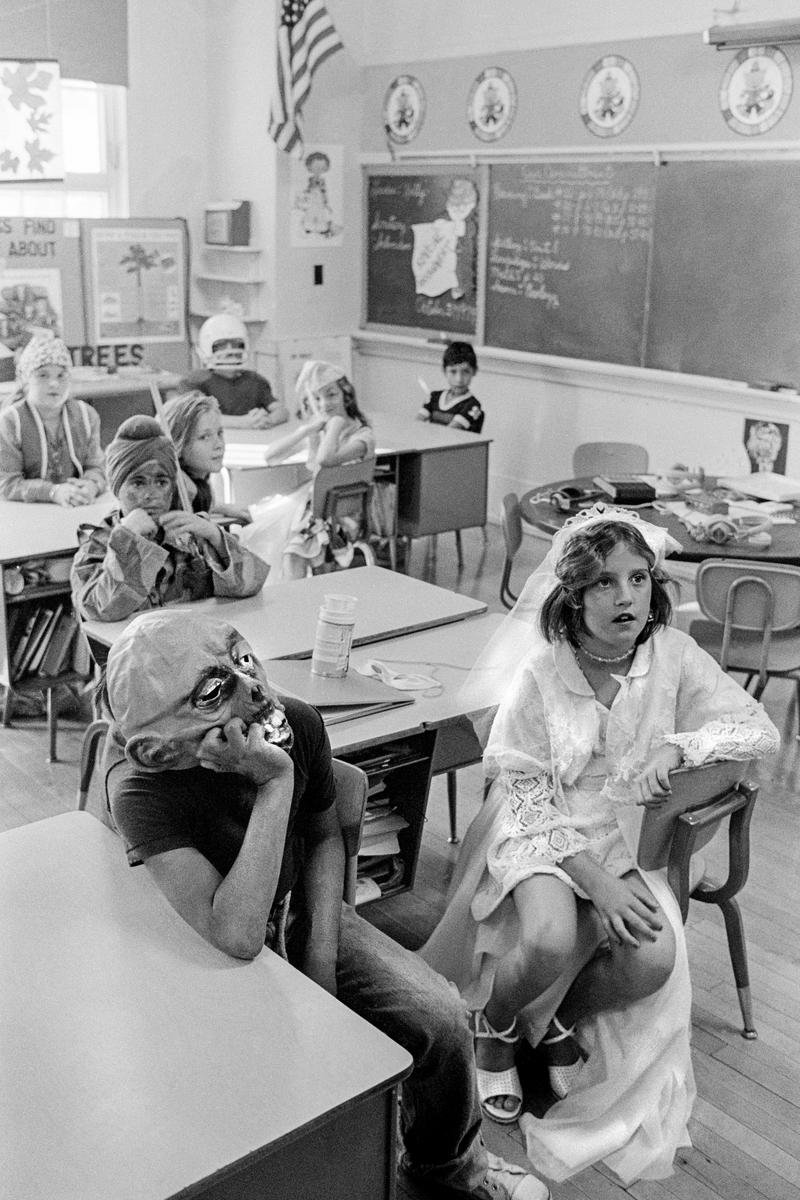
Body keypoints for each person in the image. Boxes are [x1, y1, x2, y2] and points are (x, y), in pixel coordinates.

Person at [100, 608, 550, 1200]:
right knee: (248, 1090)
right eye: (215, 691)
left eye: (242, 658)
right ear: (158, 751)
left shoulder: (295, 721)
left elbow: (323, 835)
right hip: (197, 951)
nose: (256, 688)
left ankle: (446, 1169)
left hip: (293, 909)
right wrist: (274, 783)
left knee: (439, 1016)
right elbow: (231, 933)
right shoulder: (141, 789)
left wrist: (321, 961)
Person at [421, 505, 779, 1186]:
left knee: (653, 959)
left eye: (639, 579)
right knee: (551, 937)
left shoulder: (674, 655)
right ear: (573, 595)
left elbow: (757, 732)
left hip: (628, 834)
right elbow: (519, 785)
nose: (626, 597)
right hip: (544, 826)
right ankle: (493, 1027)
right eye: (606, 583)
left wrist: (677, 745)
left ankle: (550, 1020)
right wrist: (597, 880)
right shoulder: (541, 672)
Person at [70, 414, 268, 625]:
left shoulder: (190, 533)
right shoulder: (98, 544)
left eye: (161, 482)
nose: (151, 494)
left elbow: (249, 585)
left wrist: (215, 537)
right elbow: (102, 610)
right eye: (138, 484)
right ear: (117, 489)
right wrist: (127, 542)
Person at [238, 359, 375, 582]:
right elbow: (271, 456)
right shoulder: (319, 431)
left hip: (340, 516)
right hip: (312, 512)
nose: (324, 404)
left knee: (289, 544)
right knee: (265, 531)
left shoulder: (362, 435)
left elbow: (326, 459)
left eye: (331, 395)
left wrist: (336, 424)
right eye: (317, 398)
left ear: (346, 395)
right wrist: (305, 430)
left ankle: (297, 599)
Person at [0, 336, 106, 505]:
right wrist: (52, 492)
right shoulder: (11, 421)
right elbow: (8, 483)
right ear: (26, 379)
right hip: (27, 513)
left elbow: (96, 466)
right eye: (43, 375)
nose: (54, 383)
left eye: (61, 375)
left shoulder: (86, 416)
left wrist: (91, 486)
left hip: (76, 507)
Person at [176, 313, 288, 430]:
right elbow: (198, 417)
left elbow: (281, 410)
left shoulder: (255, 380)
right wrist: (243, 422)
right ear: (206, 347)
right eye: (221, 345)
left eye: (236, 344)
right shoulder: (193, 381)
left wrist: (268, 420)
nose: (230, 350)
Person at [161, 389, 251, 524]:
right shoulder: (178, 490)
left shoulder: (199, 481)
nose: (219, 444)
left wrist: (223, 508)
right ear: (178, 443)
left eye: (219, 433)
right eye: (204, 437)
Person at [417, 342, 484, 433]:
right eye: (453, 371)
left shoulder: (473, 405)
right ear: (444, 371)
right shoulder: (433, 397)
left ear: (474, 371)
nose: (459, 379)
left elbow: (449, 433)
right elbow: (416, 425)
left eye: (465, 372)